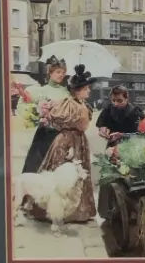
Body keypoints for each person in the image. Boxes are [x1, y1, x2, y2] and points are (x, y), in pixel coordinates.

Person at [21, 64, 97, 228]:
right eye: (86, 89)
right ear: (78, 90)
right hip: (68, 141)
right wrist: (69, 144)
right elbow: (59, 120)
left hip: (79, 141)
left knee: (78, 175)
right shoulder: (69, 104)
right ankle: (56, 211)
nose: (89, 91)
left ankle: (77, 210)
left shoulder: (82, 104)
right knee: (61, 175)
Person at [21, 57, 70, 173]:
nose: (61, 75)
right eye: (58, 72)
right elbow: (29, 109)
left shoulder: (67, 92)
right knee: (37, 164)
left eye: (63, 72)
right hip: (45, 133)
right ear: (50, 73)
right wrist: (39, 115)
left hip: (61, 133)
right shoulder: (41, 90)